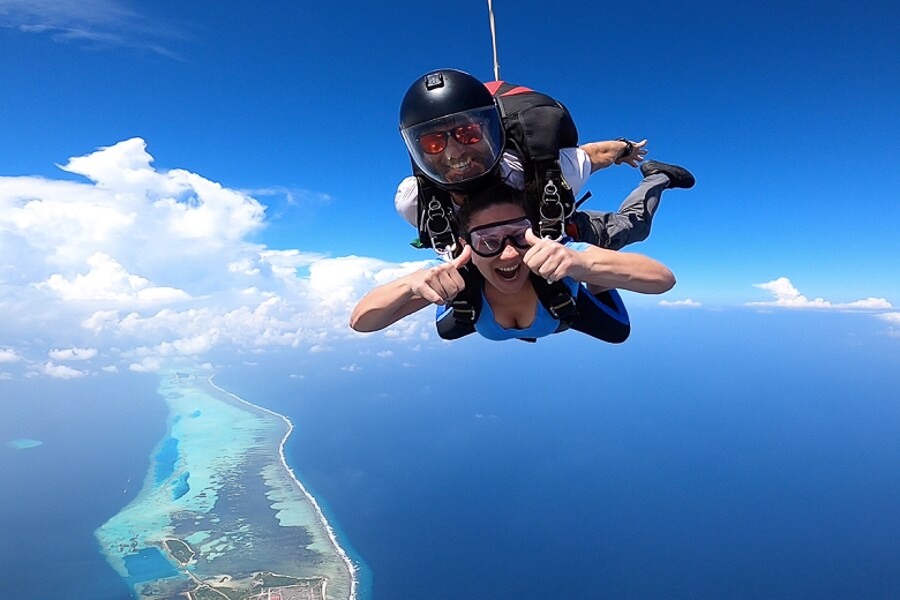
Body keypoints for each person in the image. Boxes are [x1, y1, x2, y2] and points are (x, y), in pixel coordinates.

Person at [395, 68, 694, 252]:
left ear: (491, 131)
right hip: (482, 253)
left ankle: (657, 177)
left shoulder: (539, 169)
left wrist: (626, 148)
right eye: (433, 142)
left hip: (554, 230)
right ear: (417, 152)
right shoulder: (416, 200)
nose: (454, 153)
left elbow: (593, 154)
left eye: (468, 133)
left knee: (634, 227)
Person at [350, 184, 675, 342]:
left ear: (536, 233)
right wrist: (410, 284)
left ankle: (655, 179)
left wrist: (582, 263)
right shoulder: (455, 272)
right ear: (465, 244)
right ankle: (600, 277)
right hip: (536, 312)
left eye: (520, 236)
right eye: (488, 241)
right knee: (448, 315)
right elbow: (362, 321)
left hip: (559, 303)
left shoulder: (560, 256)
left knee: (619, 329)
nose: (508, 253)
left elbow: (662, 279)